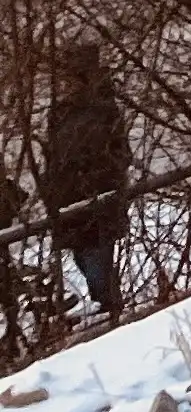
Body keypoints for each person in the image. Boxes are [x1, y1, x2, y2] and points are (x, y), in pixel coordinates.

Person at [40, 41, 124, 328]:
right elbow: (53, 158)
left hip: (94, 197)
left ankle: (109, 308)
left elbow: (116, 153)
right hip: (71, 199)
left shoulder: (101, 107)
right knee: (84, 255)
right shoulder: (63, 112)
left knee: (96, 255)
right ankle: (105, 307)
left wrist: (95, 182)